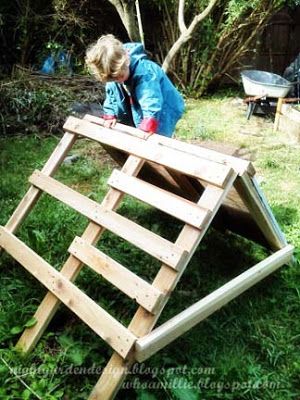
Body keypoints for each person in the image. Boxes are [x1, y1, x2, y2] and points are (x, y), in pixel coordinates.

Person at [85, 34, 185, 137]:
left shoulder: (145, 73)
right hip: (140, 107)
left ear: (127, 60)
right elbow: (112, 95)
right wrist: (110, 113)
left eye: (120, 76)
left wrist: (148, 124)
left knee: (157, 134)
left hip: (164, 106)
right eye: (113, 79)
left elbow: (150, 100)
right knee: (138, 127)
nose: (118, 80)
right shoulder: (114, 73)